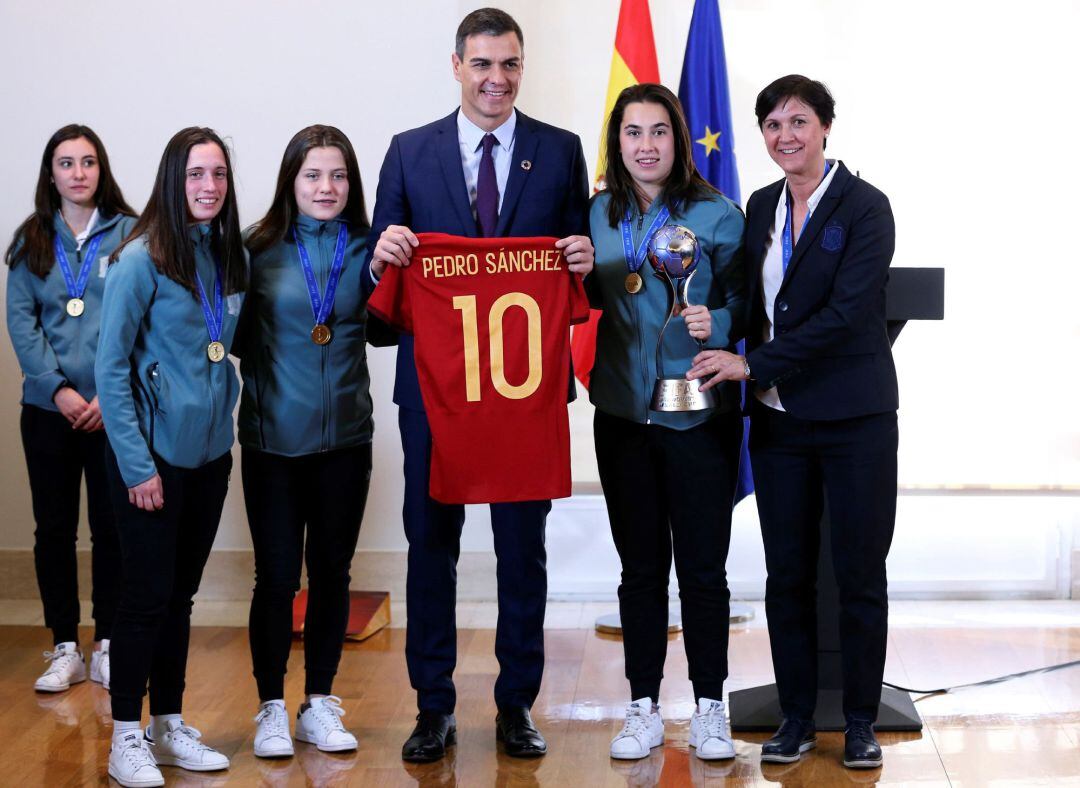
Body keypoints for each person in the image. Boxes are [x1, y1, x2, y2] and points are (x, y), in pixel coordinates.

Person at [368, 7, 593, 762]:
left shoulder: (559, 153)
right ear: (457, 65)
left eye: (509, 65)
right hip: (434, 393)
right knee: (430, 546)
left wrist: (581, 259)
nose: (496, 79)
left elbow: (574, 274)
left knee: (520, 549)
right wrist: (385, 252)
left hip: (524, 394)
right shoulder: (407, 153)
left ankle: (515, 704)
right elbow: (384, 282)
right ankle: (433, 709)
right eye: (483, 64)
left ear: (522, 69)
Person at [687, 75, 898, 770]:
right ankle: (798, 716)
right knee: (788, 576)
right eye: (772, 125)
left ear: (827, 127)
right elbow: (751, 304)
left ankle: (860, 721)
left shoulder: (867, 208)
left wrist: (755, 365)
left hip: (855, 421)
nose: (785, 136)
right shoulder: (759, 206)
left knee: (860, 572)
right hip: (780, 426)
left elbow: (845, 317)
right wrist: (713, 324)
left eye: (798, 122)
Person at [588, 83, 745, 762]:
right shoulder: (595, 215)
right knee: (640, 568)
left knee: (704, 570)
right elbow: (573, 295)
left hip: (699, 410)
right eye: (633, 133)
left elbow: (753, 299)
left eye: (658, 132)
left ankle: (710, 707)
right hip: (622, 413)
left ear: (679, 139)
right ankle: (643, 706)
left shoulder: (717, 215)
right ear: (616, 141)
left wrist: (726, 322)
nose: (645, 145)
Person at [96, 127, 247, 787]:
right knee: (145, 598)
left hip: (210, 456)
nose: (208, 187)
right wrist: (137, 467)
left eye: (217, 174)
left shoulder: (225, 254)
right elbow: (109, 370)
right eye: (195, 175)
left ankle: (168, 723)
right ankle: (125, 734)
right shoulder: (139, 260)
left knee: (180, 597)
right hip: (150, 461)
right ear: (172, 180)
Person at [237, 125, 380, 757]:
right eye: (313, 175)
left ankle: (318, 700)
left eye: (339, 176)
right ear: (290, 182)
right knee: (274, 579)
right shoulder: (255, 249)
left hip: (346, 441)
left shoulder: (370, 250)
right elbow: (232, 338)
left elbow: (392, 330)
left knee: (332, 574)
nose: (327, 188)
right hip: (272, 443)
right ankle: (270, 705)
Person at [5, 124, 137, 694]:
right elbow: (22, 322)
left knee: (112, 528)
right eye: (66, 163)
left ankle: (106, 642)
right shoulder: (30, 239)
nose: (78, 173)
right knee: (54, 529)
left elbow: (141, 318)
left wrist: (109, 394)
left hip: (113, 410)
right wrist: (58, 389)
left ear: (101, 170)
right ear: (51, 173)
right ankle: (65, 644)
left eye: (88, 162)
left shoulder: (132, 235)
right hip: (48, 410)